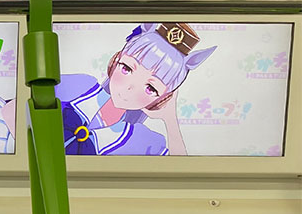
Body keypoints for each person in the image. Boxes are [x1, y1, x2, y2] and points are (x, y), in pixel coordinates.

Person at [57, 22, 215, 156]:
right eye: (126, 69)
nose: (130, 88)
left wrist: (170, 120)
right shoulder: (79, 86)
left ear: (162, 99)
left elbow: (180, 173)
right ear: (115, 60)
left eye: (150, 88)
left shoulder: (145, 141)